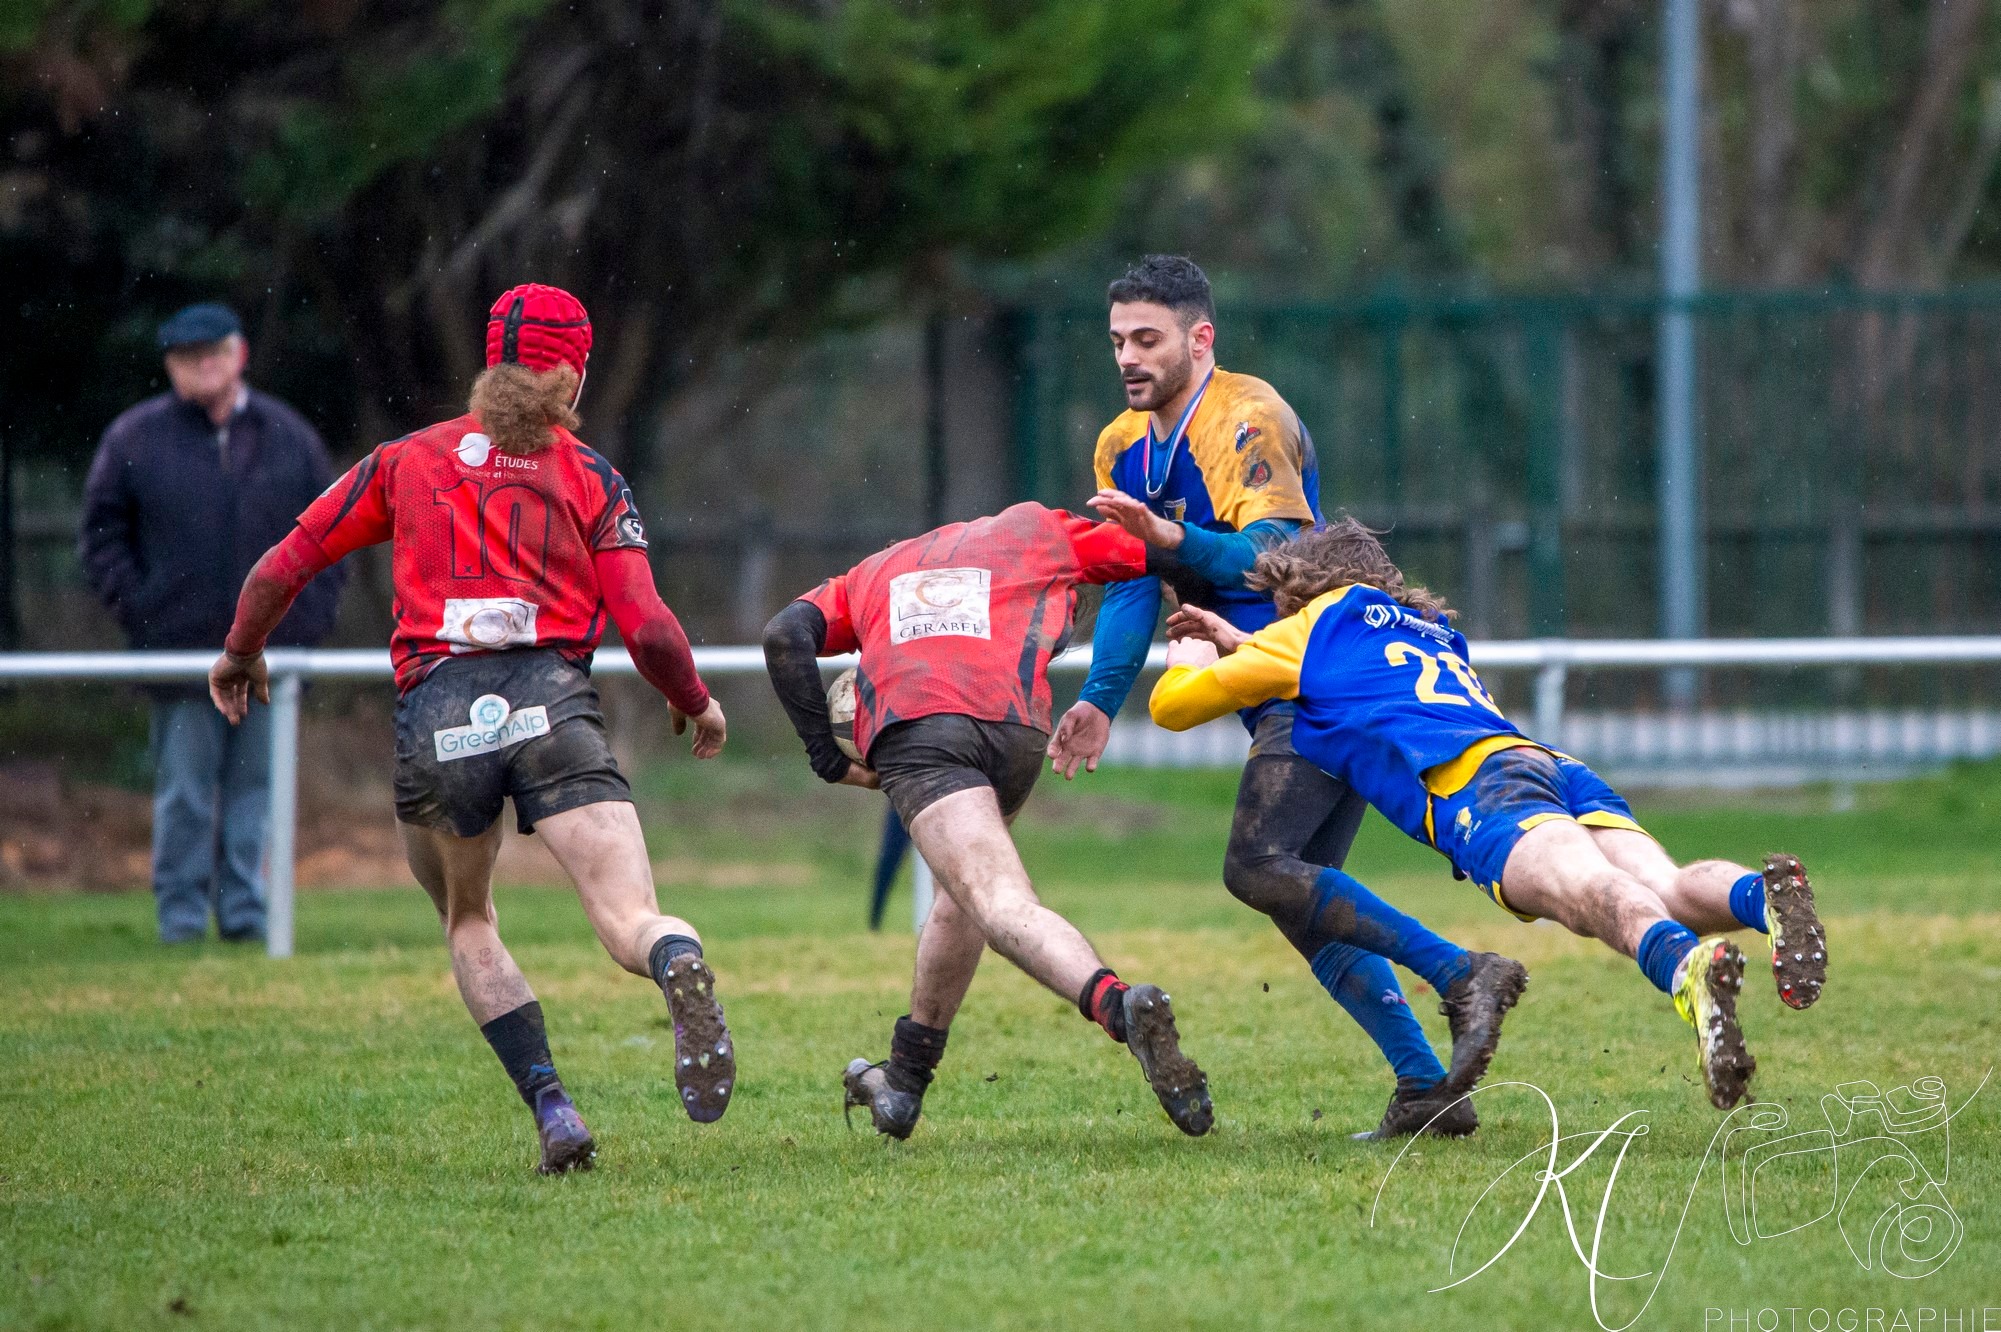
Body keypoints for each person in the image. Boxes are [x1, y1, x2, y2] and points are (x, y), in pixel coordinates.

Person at [209, 284, 736, 1174]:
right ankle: (674, 954)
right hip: (553, 705)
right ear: (574, 373)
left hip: (440, 707)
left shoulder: (405, 461)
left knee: (468, 917)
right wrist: (694, 697)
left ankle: (553, 1107)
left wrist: (238, 654)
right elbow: (646, 627)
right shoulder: (593, 478)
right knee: (627, 917)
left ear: (490, 365)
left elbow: (281, 565)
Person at [1049, 255, 1512, 1139]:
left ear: (1200, 338)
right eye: (1117, 342)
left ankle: (1462, 973)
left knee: (1256, 868)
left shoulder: (1247, 419)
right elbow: (1138, 579)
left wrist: (1173, 536)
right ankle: (1426, 1090)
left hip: (1323, 675)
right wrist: (1101, 698)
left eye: (1147, 339)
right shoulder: (1120, 443)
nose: (1128, 358)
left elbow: (1273, 555)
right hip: (1276, 690)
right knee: (1296, 897)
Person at [1149, 518, 1830, 1111]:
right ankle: (1761, 897)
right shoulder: (1431, 630)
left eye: (1278, 599)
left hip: (1480, 788)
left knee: (1589, 897)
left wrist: (1188, 656)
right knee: (1668, 888)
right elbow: (1337, 671)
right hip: (1547, 764)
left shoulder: (1304, 629)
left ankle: (1687, 972)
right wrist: (1241, 641)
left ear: (1300, 590)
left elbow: (1173, 709)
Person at [762, 502, 1215, 1139]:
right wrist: (1219, 611)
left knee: (998, 902)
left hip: (922, 732)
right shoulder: (1037, 528)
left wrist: (825, 757)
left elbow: (785, 636)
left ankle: (1119, 1005)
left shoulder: (871, 573)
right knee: (962, 896)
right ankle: (904, 1080)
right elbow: (1166, 549)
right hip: (1016, 730)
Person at [79, 302, 347, 945]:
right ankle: (181, 918)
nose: (203, 366)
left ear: (240, 355)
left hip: (272, 656)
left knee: (257, 791)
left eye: (214, 353)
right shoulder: (134, 439)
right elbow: (101, 538)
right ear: (170, 366)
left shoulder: (290, 437)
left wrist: (303, 626)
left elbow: (335, 536)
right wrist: (145, 612)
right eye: (187, 357)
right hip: (183, 656)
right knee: (185, 792)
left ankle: (246, 913)